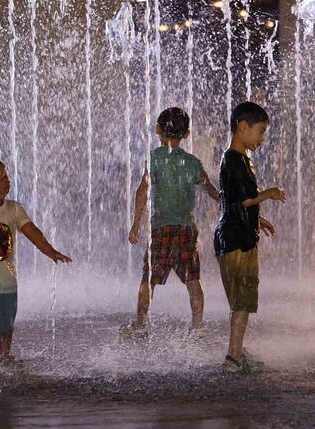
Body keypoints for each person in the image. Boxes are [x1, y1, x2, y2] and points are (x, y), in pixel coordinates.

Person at [0, 157, 72, 365]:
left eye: (4, 178)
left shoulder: (14, 208)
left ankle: (4, 355)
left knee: (5, 325)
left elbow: (32, 232)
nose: (3, 183)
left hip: (6, 281)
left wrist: (51, 251)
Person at [122, 107, 219, 338]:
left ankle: (141, 325)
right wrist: (226, 202)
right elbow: (210, 189)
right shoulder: (193, 163)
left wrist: (136, 223)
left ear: (158, 129)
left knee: (148, 279)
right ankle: (197, 327)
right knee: (193, 279)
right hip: (186, 229)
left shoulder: (154, 158)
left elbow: (142, 190)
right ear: (186, 134)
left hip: (161, 229)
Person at [215, 101, 286, 374]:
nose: (262, 138)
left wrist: (259, 219)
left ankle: (237, 351)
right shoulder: (235, 159)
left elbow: (234, 201)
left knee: (238, 302)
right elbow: (244, 200)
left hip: (230, 236)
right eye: (260, 131)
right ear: (242, 128)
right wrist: (270, 193)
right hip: (238, 241)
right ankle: (233, 356)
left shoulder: (234, 159)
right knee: (242, 301)